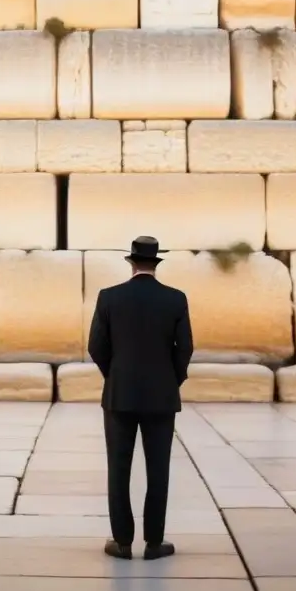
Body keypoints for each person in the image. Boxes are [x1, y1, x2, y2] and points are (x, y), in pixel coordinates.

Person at [87, 235, 194, 561]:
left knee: (118, 469)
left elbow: (96, 346)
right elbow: (185, 349)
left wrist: (115, 375)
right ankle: (154, 542)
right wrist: (169, 381)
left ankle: (122, 542)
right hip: (161, 397)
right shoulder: (175, 299)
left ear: (131, 263)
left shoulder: (109, 297)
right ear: (155, 263)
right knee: (158, 469)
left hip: (119, 396)